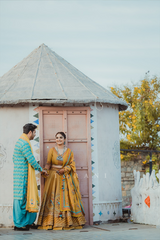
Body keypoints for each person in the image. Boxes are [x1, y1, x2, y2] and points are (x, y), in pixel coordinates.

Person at [37, 131, 86, 230]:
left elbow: (72, 165)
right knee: (52, 198)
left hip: (64, 178)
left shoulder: (69, 152)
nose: (58, 139)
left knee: (65, 199)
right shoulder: (51, 150)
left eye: (61, 137)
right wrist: (45, 170)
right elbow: (48, 164)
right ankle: (50, 222)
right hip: (52, 178)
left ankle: (67, 222)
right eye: (57, 137)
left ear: (64, 139)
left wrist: (65, 169)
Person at [13, 123, 48, 231]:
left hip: (22, 174)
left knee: (26, 198)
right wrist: (41, 170)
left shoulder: (21, 141)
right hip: (21, 176)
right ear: (30, 132)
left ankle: (27, 222)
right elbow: (31, 160)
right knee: (20, 199)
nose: (35, 135)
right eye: (34, 133)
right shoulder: (24, 143)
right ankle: (18, 224)